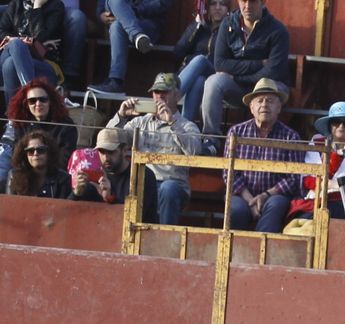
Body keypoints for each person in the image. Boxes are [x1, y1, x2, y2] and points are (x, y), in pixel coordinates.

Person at [107, 72, 201, 224]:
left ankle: (164, 240)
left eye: (165, 92)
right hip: (143, 184)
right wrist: (121, 115)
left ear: (177, 96)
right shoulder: (140, 122)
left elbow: (195, 152)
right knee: (131, 186)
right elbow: (109, 139)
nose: (160, 96)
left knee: (168, 189)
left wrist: (172, 123)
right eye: (157, 92)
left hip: (173, 186)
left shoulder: (187, 126)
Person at [200, 0, 291, 139]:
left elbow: (272, 73)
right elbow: (220, 64)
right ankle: (210, 139)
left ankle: (269, 140)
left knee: (273, 90)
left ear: (263, 2)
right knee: (213, 82)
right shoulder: (228, 24)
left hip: (269, 87)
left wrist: (236, 77)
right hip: (238, 89)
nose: (247, 6)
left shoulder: (278, 30)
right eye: (243, 1)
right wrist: (260, 63)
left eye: (253, 1)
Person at [224, 78, 298, 232]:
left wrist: (265, 195)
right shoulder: (236, 133)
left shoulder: (290, 137)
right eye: (260, 101)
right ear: (251, 107)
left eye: (270, 101)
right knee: (236, 209)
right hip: (242, 194)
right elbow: (228, 173)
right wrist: (250, 200)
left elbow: (293, 178)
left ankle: (263, 253)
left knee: (276, 205)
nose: (264, 105)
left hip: (274, 195)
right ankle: (236, 252)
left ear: (279, 107)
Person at [291, 100, 345, 220]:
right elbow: (306, 177)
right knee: (302, 217)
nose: (341, 126)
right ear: (329, 124)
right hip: (315, 197)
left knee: (325, 214)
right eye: (336, 122)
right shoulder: (317, 142)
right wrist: (327, 184)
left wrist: (339, 186)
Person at [87, 0, 169, 97]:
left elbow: (162, 3)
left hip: (147, 24)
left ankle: (116, 82)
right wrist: (102, 15)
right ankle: (137, 35)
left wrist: (132, 11)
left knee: (116, 24)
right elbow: (102, 7)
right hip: (121, 21)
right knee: (114, 6)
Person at [2, 77, 76, 176]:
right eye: (32, 101)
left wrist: (42, 173)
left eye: (43, 100)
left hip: (55, 175)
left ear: (51, 101)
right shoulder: (21, 123)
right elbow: (18, 156)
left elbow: (65, 159)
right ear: (26, 104)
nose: (38, 104)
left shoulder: (65, 125)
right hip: (26, 173)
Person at [0, 0, 66, 103]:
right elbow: (1, 31)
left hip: (42, 62)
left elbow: (41, 37)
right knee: (16, 44)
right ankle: (33, 96)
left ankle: (13, 116)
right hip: (9, 51)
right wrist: (23, 41)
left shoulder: (56, 6)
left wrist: (37, 7)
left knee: (10, 65)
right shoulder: (15, 4)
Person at [174, 0, 228, 122]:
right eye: (214, 4)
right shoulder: (199, 27)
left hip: (215, 73)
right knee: (199, 81)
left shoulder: (230, 29)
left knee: (200, 60)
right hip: (194, 77)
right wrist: (196, 26)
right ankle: (183, 130)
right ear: (207, 7)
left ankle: (171, 98)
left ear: (227, 8)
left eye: (222, 4)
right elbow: (178, 51)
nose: (218, 8)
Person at [69, 125, 129, 203]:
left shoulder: (140, 177)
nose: (106, 157)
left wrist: (109, 198)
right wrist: (76, 193)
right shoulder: (93, 175)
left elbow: (141, 213)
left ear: (124, 150)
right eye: (101, 151)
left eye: (111, 152)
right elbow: (68, 211)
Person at [6, 126, 68, 195]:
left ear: (50, 152)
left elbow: (67, 204)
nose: (35, 154)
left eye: (41, 150)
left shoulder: (62, 179)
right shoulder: (14, 176)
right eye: (30, 151)